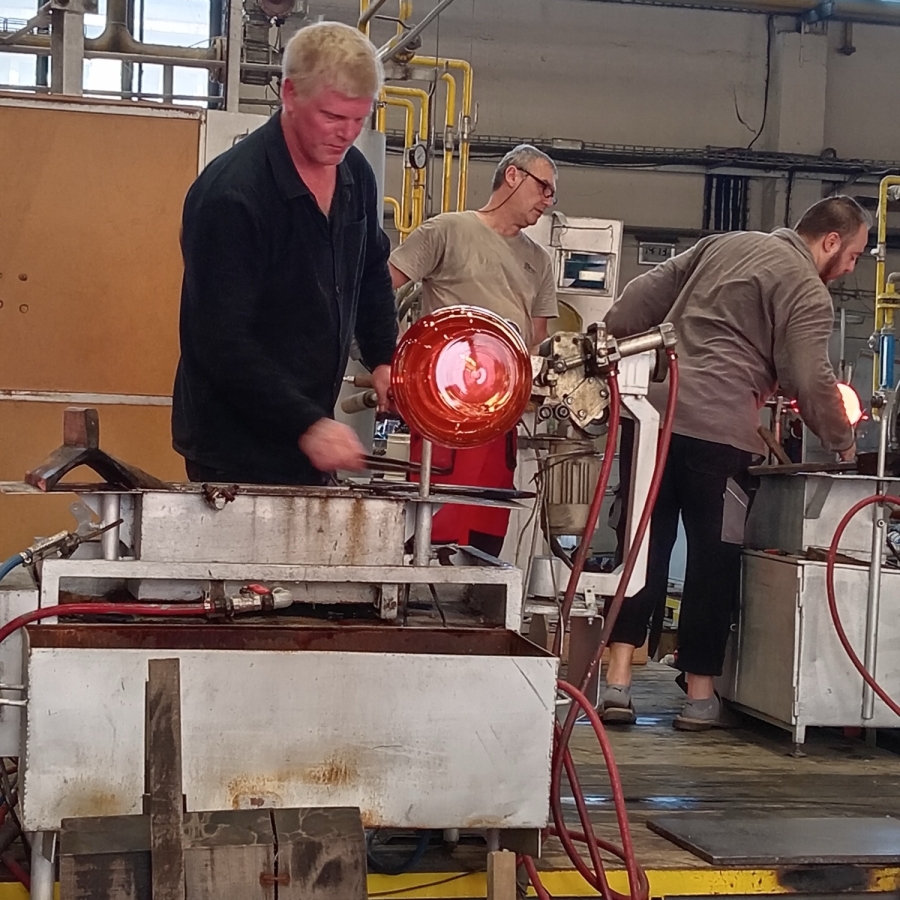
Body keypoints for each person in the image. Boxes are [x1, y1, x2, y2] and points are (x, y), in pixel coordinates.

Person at [601, 195, 869, 731]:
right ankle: (700, 697)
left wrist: (610, 343)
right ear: (831, 241)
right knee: (712, 560)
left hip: (652, 418)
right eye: (855, 256)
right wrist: (842, 442)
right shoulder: (806, 288)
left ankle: (617, 683)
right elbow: (808, 376)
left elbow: (636, 301)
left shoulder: (723, 244)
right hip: (719, 436)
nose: (850, 268)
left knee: (641, 547)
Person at [172, 22, 398, 485]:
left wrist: (384, 358)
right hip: (236, 449)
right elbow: (219, 342)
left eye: (360, 119)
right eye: (333, 117)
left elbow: (371, 270)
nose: (347, 134)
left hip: (311, 434)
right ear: (290, 94)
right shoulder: (233, 196)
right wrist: (307, 424)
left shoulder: (355, 174)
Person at [387, 145, 559, 556]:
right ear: (513, 175)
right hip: (445, 415)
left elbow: (537, 340)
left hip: (501, 419)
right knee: (435, 531)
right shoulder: (447, 231)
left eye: (553, 194)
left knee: (485, 532)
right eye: (544, 187)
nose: (548, 201)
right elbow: (379, 287)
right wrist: (389, 361)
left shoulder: (539, 261)